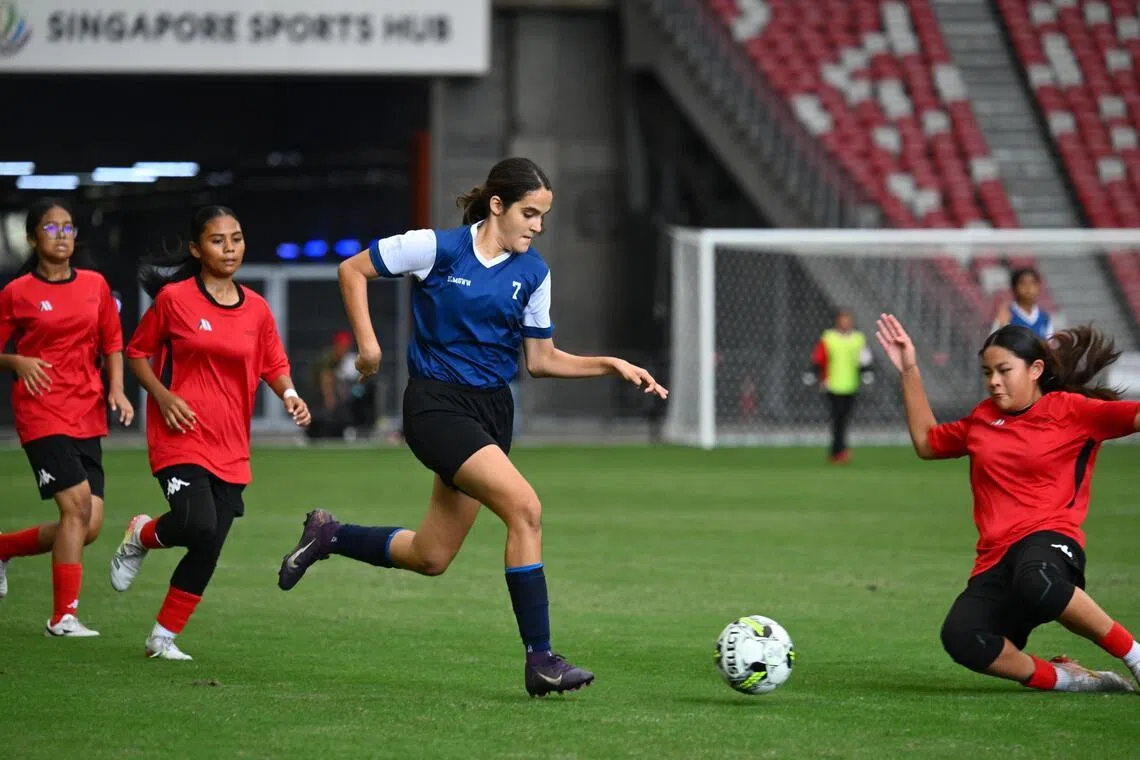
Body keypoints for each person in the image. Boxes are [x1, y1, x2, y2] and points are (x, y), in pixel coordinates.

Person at [275, 157, 669, 697]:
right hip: (436, 407)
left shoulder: (535, 274)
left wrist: (610, 364)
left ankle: (329, 535)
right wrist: (369, 347)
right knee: (525, 508)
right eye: (530, 213)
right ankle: (541, 660)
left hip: (491, 414)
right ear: (497, 206)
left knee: (431, 556)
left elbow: (541, 360)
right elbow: (353, 271)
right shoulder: (438, 247)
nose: (538, 226)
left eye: (544, 217)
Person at [875, 314, 1140, 692]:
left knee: (1037, 579)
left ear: (1035, 369)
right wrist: (909, 369)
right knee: (963, 638)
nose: (994, 381)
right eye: (987, 372)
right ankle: (1072, 680)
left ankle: (1134, 656)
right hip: (996, 560)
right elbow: (927, 442)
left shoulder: (1072, 410)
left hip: (1051, 541)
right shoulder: (983, 418)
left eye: (1003, 370)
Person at [108, 205, 311, 660]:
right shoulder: (175, 300)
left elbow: (273, 364)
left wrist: (290, 395)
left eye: (236, 238)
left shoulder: (256, 308)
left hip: (231, 445)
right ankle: (141, 535)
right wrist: (162, 396)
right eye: (218, 240)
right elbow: (137, 353)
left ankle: (162, 637)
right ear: (197, 249)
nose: (230, 248)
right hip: (179, 435)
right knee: (197, 523)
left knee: (209, 543)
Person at [0, 198, 133, 637]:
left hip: (87, 412)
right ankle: (63, 616)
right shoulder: (17, 293)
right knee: (75, 506)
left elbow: (112, 343)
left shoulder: (95, 285)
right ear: (33, 237)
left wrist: (116, 389)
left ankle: (3, 550)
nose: (62, 235)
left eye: (68, 228)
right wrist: (17, 362)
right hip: (40, 413)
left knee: (88, 526)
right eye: (52, 228)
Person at [810, 308, 873, 463]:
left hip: (850, 385)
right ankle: (839, 450)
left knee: (844, 419)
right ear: (837, 321)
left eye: (848, 320)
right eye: (842, 319)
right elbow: (819, 356)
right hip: (832, 384)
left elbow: (863, 358)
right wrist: (814, 372)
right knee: (837, 419)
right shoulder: (829, 337)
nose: (845, 323)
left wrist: (866, 372)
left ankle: (838, 450)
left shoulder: (858, 338)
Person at [992, 267, 1054, 340]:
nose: (1028, 287)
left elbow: (1049, 346)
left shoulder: (1045, 318)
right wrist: (1003, 326)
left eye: (1032, 283)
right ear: (1014, 287)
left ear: (1038, 287)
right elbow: (993, 344)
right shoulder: (1006, 315)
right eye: (1023, 283)